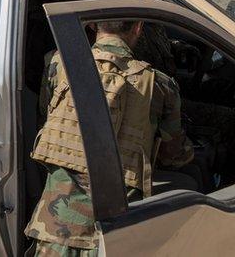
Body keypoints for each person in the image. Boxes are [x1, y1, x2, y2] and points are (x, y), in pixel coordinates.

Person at [26, 20, 195, 257]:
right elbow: (173, 155)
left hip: (55, 229)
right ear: (137, 28)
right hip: (114, 236)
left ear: (93, 24)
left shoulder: (57, 63)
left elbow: (47, 117)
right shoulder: (160, 84)